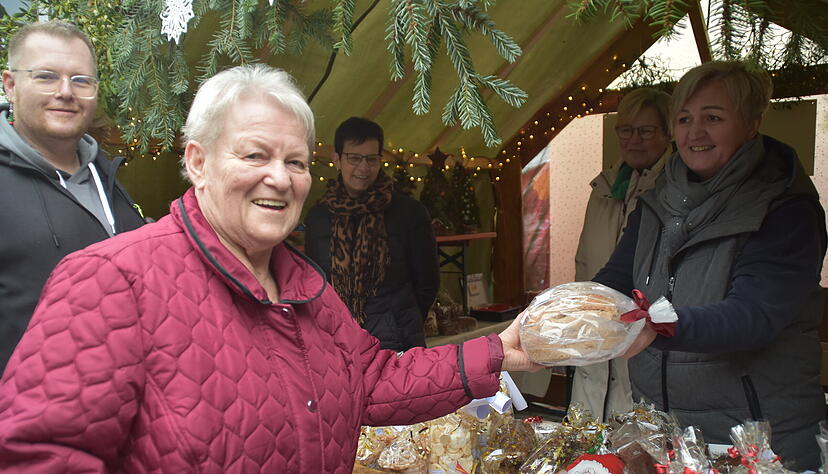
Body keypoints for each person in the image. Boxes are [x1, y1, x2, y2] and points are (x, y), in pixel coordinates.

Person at [0, 64, 539, 472]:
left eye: (296, 161)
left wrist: (502, 351)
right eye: (255, 156)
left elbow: (371, 379)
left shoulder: (303, 285)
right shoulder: (111, 280)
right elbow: (38, 455)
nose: (280, 179)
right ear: (198, 163)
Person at [596, 61, 826, 470]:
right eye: (684, 119)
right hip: (664, 429)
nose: (694, 132)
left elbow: (752, 316)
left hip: (755, 438)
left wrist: (656, 326)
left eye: (713, 118)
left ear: (752, 123)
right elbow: (615, 280)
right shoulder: (657, 200)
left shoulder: (785, 208)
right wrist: (566, 309)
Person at [0, 20, 145, 371]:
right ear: (10, 85)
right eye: (46, 76)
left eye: (81, 80)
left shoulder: (107, 176)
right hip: (23, 415)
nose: (66, 92)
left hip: (115, 405)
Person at [570, 87, 672, 420]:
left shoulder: (674, 189)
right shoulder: (603, 188)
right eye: (626, 130)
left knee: (637, 434)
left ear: (668, 133)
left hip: (647, 336)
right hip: (597, 332)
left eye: (645, 131)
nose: (633, 140)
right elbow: (584, 261)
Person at [304, 117, 439, 351]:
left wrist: (400, 320)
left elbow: (427, 281)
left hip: (399, 339)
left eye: (371, 159)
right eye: (354, 158)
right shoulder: (319, 218)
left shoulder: (408, 213)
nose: (363, 168)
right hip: (338, 339)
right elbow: (316, 282)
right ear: (337, 159)